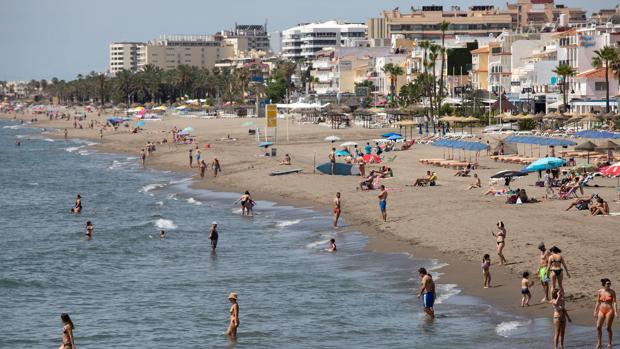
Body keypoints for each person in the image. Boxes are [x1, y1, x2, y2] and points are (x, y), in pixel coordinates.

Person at [595, 278, 617, 349]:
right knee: (598, 327)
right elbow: (598, 301)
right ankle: (599, 343)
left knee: (608, 328)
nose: (609, 285)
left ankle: (609, 343)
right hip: (601, 310)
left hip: (609, 310)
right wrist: (595, 310)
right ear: (604, 284)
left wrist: (616, 311)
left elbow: (614, 302)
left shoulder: (612, 292)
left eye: (609, 283)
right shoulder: (600, 291)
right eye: (607, 284)